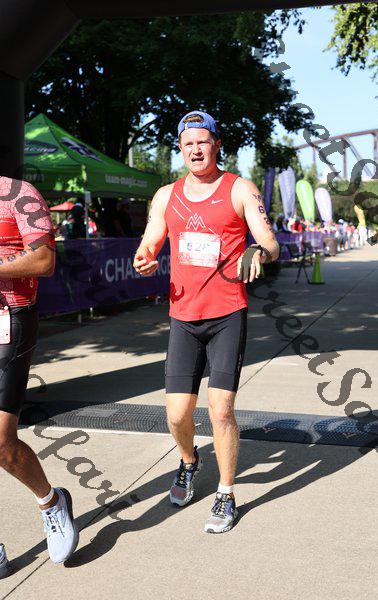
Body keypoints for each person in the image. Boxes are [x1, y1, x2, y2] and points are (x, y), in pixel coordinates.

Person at [133, 110, 279, 533]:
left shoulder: (240, 189)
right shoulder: (166, 195)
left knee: (221, 410)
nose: (195, 150)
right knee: (177, 416)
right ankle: (189, 460)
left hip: (227, 313)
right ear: (180, 149)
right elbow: (150, 241)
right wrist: (144, 256)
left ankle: (226, 492)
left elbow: (270, 241)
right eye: (188, 144)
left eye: (202, 142)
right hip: (183, 317)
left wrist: (257, 251)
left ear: (216, 145)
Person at [0, 176, 79, 576]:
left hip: (9, 318)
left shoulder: (16, 194)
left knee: (1, 442)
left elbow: (45, 260)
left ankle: (51, 502)